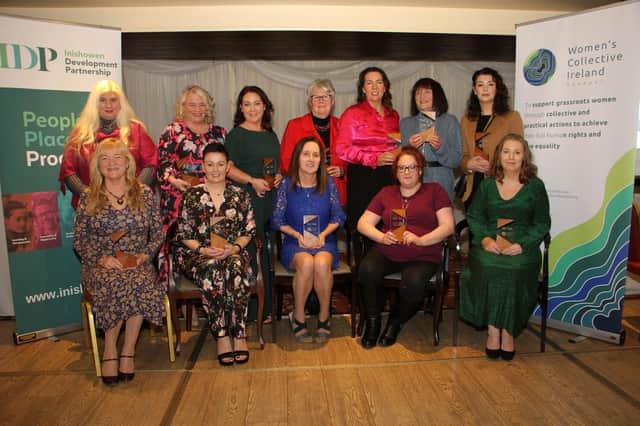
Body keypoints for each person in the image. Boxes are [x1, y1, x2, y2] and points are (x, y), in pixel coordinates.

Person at [73, 138, 165, 385]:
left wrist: (144, 255)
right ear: (97, 165)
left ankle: (129, 350)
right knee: (114, 282)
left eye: (117, 157)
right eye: (105, 158)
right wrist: (101, 259)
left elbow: (158, 234)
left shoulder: (144, 193)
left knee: (141, 283)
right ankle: (110, 349)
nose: (111, 163)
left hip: (137, 261)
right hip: (100, 264)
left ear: (127, 163)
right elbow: (80, 240)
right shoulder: (88, 197)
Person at [459, 134, 550, 361]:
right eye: (506, 151)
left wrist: (523, 245)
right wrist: (486, 240)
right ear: (499, 155)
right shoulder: (488, 184)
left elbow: (542, 223)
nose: (511, 157)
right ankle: (493, 330)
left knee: (514, 271)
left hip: (522, 247)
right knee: (488, 267)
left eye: (517, 152)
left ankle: (508, 332)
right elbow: (475, 216)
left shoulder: (536, 186)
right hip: (489, 243)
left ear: (524, 157)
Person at [357, 146, 454, 349]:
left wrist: (421, 239)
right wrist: (382, 237)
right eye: (401, 168)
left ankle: (395, 321)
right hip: (388, 251)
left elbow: (448, 226)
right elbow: (363, 223)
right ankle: (373, 322)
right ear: (396, 171)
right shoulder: (386, 193)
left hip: (423, 253)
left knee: (413, 281)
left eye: (411, 167)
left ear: (420, 170)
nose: (406, 172)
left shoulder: (435, 190)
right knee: (367, 269)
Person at [176, 143, 256, 366]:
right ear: (202, 166)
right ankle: (221, 335)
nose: (215, 169)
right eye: (210, 164)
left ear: (228, 166)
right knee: (212, 267)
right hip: (199, 254)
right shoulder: (192, 195)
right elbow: (183, 233)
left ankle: (239, 334)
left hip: (232, 251)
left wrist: (235, 248)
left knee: (236, 266)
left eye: (220, 164)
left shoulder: (240, 195)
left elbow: (248, 231)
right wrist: (202, 249)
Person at [272, 137, 346, 343]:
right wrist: (296, 235)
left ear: (321, 159)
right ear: (297, 157)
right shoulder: (286, 184)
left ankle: (324, 317)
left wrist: (323, 235)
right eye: (306, 154)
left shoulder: (328, 183)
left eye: (316, 155)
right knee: (305, 262)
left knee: (321, 263)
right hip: (294, 243)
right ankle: (299, 317)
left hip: (324, 242)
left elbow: (338, 216)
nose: (311, 159)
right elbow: (277, 220)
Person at [156, 85, 226, 292]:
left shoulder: (219, 133)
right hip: (179, 202)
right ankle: (178, 304)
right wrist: (174, 180)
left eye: (201, 104)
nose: (197, 109)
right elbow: (161, 166)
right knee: (182, 253)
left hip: (212, 203)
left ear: (208, 107)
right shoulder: (172, 132)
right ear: (182, 107)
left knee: (213, 254)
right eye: (192, 104)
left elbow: (226, 166)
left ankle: (211, 296)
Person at [225, 86, 282, 323]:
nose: (252, 109)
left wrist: (278, 176)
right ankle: (249, 310)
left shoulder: (271, 135)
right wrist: (252, 181)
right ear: (241, 108)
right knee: (251, 251)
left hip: (269, 198)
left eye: (257, 103)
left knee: (267, 253)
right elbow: (228, 167)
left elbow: (274, 165)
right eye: (247, 104)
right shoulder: (236, 135)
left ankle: (266, 308)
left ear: (265, 106)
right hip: (247, 199)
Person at [59, 79, 158, 209]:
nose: (108, 105)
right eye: (102, 100)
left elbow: (151, 164)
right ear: (95, 104)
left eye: (113, 100)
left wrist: (133, 192)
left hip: (133, 204)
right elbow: (68, 171)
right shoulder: (81, 134)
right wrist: (91, 197)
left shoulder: (136, 129)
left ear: (120, 103)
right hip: (93, 207)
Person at [336, 66, 400, 231]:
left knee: (393, 225)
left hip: (390, 176)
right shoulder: (352, 113)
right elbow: (342, 148)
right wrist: (373, 159)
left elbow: (397, 145)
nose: (375, 87)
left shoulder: (394, 115)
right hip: (363, 176)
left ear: (385, 87)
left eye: (379, 82)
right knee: (364, 226)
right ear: (363, 89)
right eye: (369, 83)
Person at [460, 67, 523, 208]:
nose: (485, 89)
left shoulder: (512, 118)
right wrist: (468, 165)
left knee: (499, 229)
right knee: (475, 229)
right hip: (473, 187)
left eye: (490, 84)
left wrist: (495, 166)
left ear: (497, 89)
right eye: (480, 85)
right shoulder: (466, 120)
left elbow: (519, 154)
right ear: (475, 91)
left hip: (502, 186)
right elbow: (462, 154)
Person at [280, 79, 347, 205]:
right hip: (305, 194)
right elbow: (285, 162)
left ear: (332, 101)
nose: (321, 101)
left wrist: (343, 171)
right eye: (316, 97)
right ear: (310, 102)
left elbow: (352, 161)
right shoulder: (295, 126)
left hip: (337, 195)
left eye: (325, 97)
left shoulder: (343, 126)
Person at [400, 78, 462, 202]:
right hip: (412, 180)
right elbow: (397, 158)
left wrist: (440, 148)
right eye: (418, 92)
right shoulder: (405, 123)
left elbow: (456, 160)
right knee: (413, 218)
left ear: (437, 95)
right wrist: (408, 147)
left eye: (427, 91)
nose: (422, 96)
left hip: (441, 180)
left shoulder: (449, 121)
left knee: (442, 220)